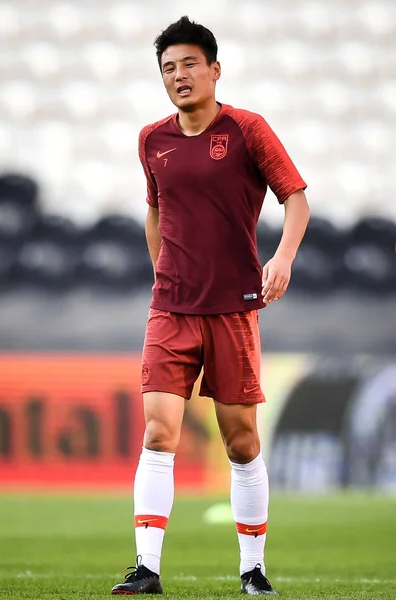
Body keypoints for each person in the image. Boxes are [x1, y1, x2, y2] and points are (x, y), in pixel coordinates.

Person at [111, 15, 310, 596]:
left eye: (189, 63)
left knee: (241, 441)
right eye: (168, 67)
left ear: (215, 69)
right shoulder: (152, 139)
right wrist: (164, 272)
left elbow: (296, 198)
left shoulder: (248, 130)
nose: (179, 75)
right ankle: (146, 569)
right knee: (157, 432)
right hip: (171, 308)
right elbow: (155, 211)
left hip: (233, 308)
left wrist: (283, 257)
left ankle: (253, 569)